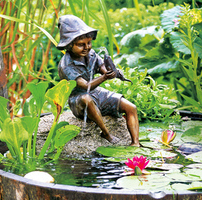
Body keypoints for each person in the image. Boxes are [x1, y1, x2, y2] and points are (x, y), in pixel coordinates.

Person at [57, 15, 140, 146]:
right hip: (78, 100)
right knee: (86, 99)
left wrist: (113, 71)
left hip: (97, 93)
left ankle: (135, 143)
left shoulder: (91, 54)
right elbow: (85, 86)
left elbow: (102, 68)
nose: (86, 47)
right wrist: (105, 77)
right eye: (81, 45)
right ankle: (106, 134)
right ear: (69, 45)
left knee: (131, 107)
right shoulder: (66, 65)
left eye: (88, 43)